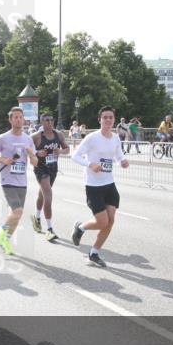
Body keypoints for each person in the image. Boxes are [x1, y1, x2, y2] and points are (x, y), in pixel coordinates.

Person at [70, 106, 129, 265]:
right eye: (105, 117)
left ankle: (94, 253)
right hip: (93, 186)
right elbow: (74, 156)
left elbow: (117, 156)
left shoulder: (116, 138)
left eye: (111, 117)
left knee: (110, 222)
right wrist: (90, 164)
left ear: (114, 119)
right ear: (100, 120)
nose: (108, 120)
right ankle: (81, 227)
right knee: (102, 222)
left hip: (109, 184)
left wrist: (122, 162)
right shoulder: (92, 138)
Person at [0, 107, 38, 255]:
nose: (18, 119)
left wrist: (31, 154)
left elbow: (35, 163)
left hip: (22, 181)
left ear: (23, 119)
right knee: (18, 211)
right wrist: (3, 159)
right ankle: (1, 235)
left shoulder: (28, 139)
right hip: (7, 179)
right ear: (10, 120)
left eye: (20, 117)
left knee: (16, 215)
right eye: (15, 117)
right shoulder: (3, 138)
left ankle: (5, 239)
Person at [30, 113, 69, 241]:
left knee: (42, 194)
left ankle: (36, 217)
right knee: (48, 194)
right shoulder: (36, 137)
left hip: (53, 168)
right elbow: (26, 150)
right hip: (40, 168)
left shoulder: (59, 135)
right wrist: (36, 152)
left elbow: (67, 148)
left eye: (52, 120)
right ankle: (49, 229)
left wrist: (61, 151)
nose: (50, 122)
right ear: (42, 122)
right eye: (47, 120)